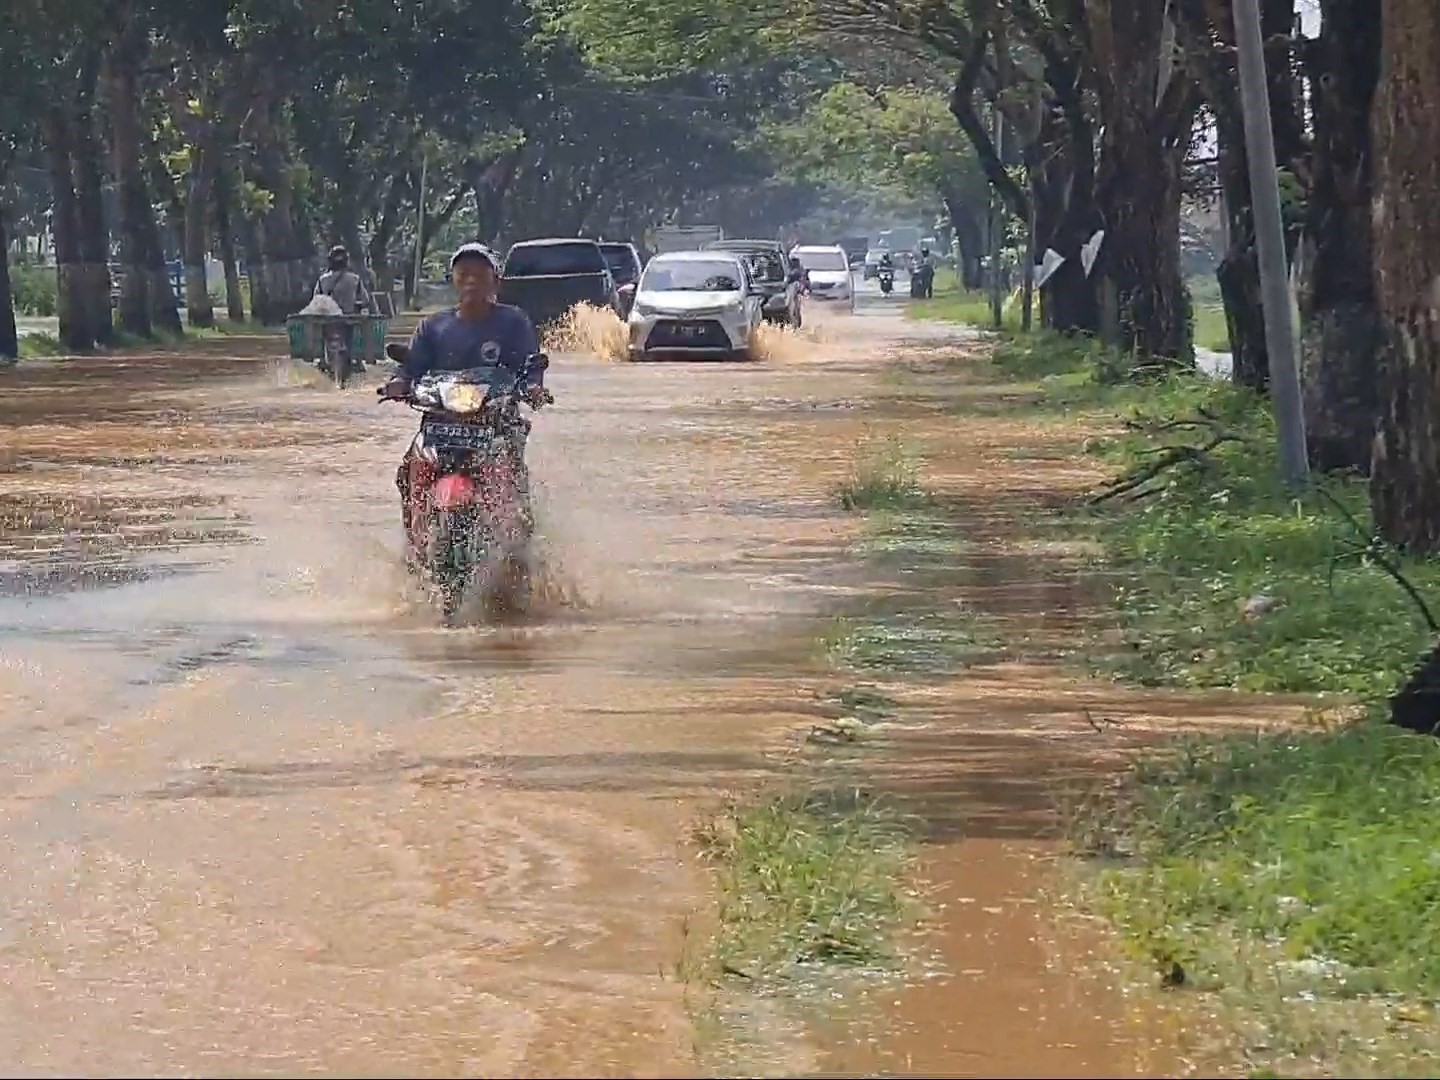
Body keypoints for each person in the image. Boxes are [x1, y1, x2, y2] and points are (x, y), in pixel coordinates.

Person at [380, 243, 547, 542]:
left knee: (514, 484)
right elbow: (412, 366)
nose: (471, 280)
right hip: (441, 423)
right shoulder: (433, 326)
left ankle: (520, 548)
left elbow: (529, 363)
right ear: (453, 279)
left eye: (480, 275)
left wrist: (533, 386)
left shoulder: (513, 322)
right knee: (408, 471)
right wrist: (399, 383)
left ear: (495, 280)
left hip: (496, 420)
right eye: (464, 273)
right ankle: (414, 542)